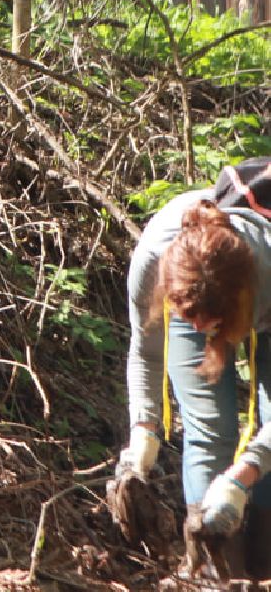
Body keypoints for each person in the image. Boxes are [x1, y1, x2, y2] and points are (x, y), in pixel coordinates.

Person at [113, 158, 271, 569]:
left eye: (209, 319)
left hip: (264, 297)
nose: (201, 328)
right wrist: (143, 431)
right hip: (211, 287)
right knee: (207, 432)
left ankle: (263, 563)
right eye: (190, 315)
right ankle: (213, 570)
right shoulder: (155, 259)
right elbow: (146, 350)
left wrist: (242, 478)